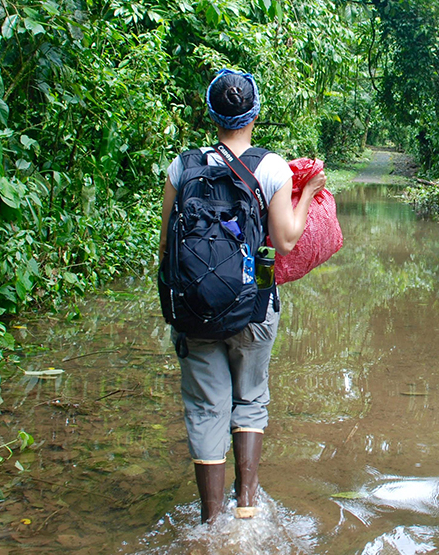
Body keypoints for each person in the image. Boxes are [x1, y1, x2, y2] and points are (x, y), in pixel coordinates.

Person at [159, 69, 326, 524]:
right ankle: (248, 507)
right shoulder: (270, 167)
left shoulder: (183, 167)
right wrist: (308, 191)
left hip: (193, 310)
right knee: (250, 398)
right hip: (252, 306)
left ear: (211, 114)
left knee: (205, 407)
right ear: (254, 114)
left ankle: (211, 522)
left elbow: (166, 249)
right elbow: (287, 240)